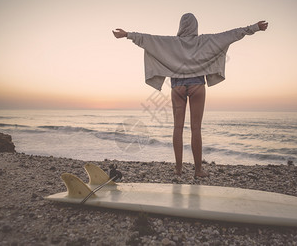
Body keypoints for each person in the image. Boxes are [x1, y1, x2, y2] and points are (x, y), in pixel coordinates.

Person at [113, 13, 268, 177]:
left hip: (177, 86)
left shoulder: (171, 43)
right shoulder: (204, 41)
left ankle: (178, 169)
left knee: (177, 128)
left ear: (180, 26)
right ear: (195, 26)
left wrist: (127, 35)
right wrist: (255, 28)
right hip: (197, 86)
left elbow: (149, 39)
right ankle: (198, 171)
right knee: (196, 129)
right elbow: (231, 35)